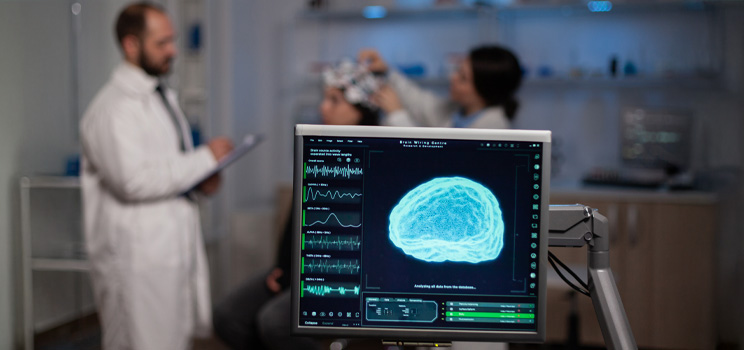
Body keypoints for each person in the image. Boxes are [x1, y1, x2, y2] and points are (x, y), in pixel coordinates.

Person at [79, 3, 233, 349]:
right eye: (162, 43)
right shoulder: (113, 109)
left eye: (173, 41)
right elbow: (133, 181)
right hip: (137, 259)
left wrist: (202, 178)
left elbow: (167, 165)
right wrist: (204, 158)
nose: (173, 51)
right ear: (131, 45)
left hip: (167, 249)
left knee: (171, 340)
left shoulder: (159, 96)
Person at [212, 60, 379, 350]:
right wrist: (285, 267)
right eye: (324, 99)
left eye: (334, 101)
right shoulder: (320, 148)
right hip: (300, 269)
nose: (323, 108)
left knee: (274, 322)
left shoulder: (376, 160)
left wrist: (302, 275)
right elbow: (299, 217)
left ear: (360, 111)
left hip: (343, 276)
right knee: (227, 316)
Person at [359, 45, 523, 129]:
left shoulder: (493, 129)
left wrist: (397, 115)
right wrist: (386, 71)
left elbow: (436, 163)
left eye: (463, 78)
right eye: (458, 70)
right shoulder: (458, 112)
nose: (453, 77)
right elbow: (419, 101)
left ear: (485, 90)